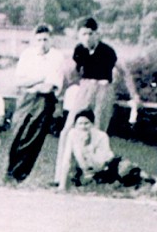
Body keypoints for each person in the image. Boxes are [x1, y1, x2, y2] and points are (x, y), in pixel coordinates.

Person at [53, 17, 140, 185]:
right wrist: (60, 90)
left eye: (90, 34)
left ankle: (92, 176)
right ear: (79, 35)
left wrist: (133, 95)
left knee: (96, 133)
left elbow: (125, 72)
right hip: (85, 89)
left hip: (103, 91)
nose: (87, 37)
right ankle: (61, 176)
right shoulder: (79, 50)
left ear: (97, 34)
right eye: (83, 34)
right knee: (68, 130)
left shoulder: (107, 51)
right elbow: (71, 73)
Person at [6, 24, 64, 182]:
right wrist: (39, 79)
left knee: (32, 136)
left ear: (51, 40)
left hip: (44, 100)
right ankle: (9, 170)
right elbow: (19, 82)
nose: (42, 43)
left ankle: (19, 174)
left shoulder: (57, 57)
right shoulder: (27, 55)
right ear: (34, 40)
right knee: (17, 130)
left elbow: (48, 87)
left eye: (45, 39)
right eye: (39, 40)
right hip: (26, 97)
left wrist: (32, 83)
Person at [57, 109, 142, 191]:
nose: (83, 127)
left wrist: (87, 148)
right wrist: (62, 185)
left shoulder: (101, 136)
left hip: (106, 166)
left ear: (92, 124)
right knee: (81, 181)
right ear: (75, 125)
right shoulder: (72, 134)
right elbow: (66, 159)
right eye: (80, 124)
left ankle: (144, 180)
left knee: (126, 168)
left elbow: (101, 163)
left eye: (86, 123)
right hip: (85, 169)